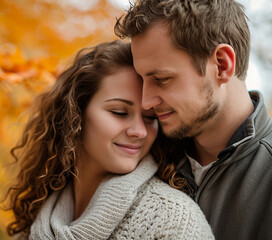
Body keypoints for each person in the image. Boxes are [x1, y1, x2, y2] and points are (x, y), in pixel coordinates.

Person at [2, 40, 214, 240]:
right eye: (120, 112)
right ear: (74, 115)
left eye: (150, 118)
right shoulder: (35, 220)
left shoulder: (173, 223)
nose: (139, 131)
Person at [114, 0, 272, 240]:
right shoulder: (140, 152)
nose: (146, 102)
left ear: (221, 65)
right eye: (142, 79)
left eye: (161, 78)